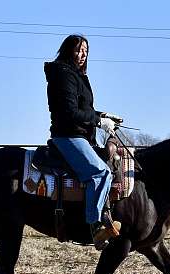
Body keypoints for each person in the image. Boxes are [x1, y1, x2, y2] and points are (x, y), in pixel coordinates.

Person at [44, 34, 123, 249]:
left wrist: (104, 116)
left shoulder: (77, 76)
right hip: (68, 136)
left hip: (80, 135)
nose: (82, 55)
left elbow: (83, 109)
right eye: (79, 50)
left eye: (86, 51)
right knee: (100, 172)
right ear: (68, 50)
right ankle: (95, 226)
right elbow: (70, 112)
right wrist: (99, 121)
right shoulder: (63, 74)